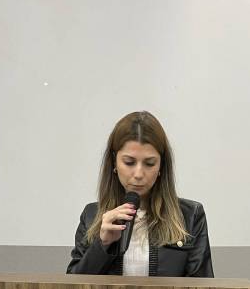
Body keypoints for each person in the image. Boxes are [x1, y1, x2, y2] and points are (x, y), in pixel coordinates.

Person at [67, 111, 213, 277]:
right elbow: (73, 287)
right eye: (129, 162)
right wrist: (102, 245)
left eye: (149, 164)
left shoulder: (190, 216)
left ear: (161, 166)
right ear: (114, 162)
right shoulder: (91, 215)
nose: (138, 174)